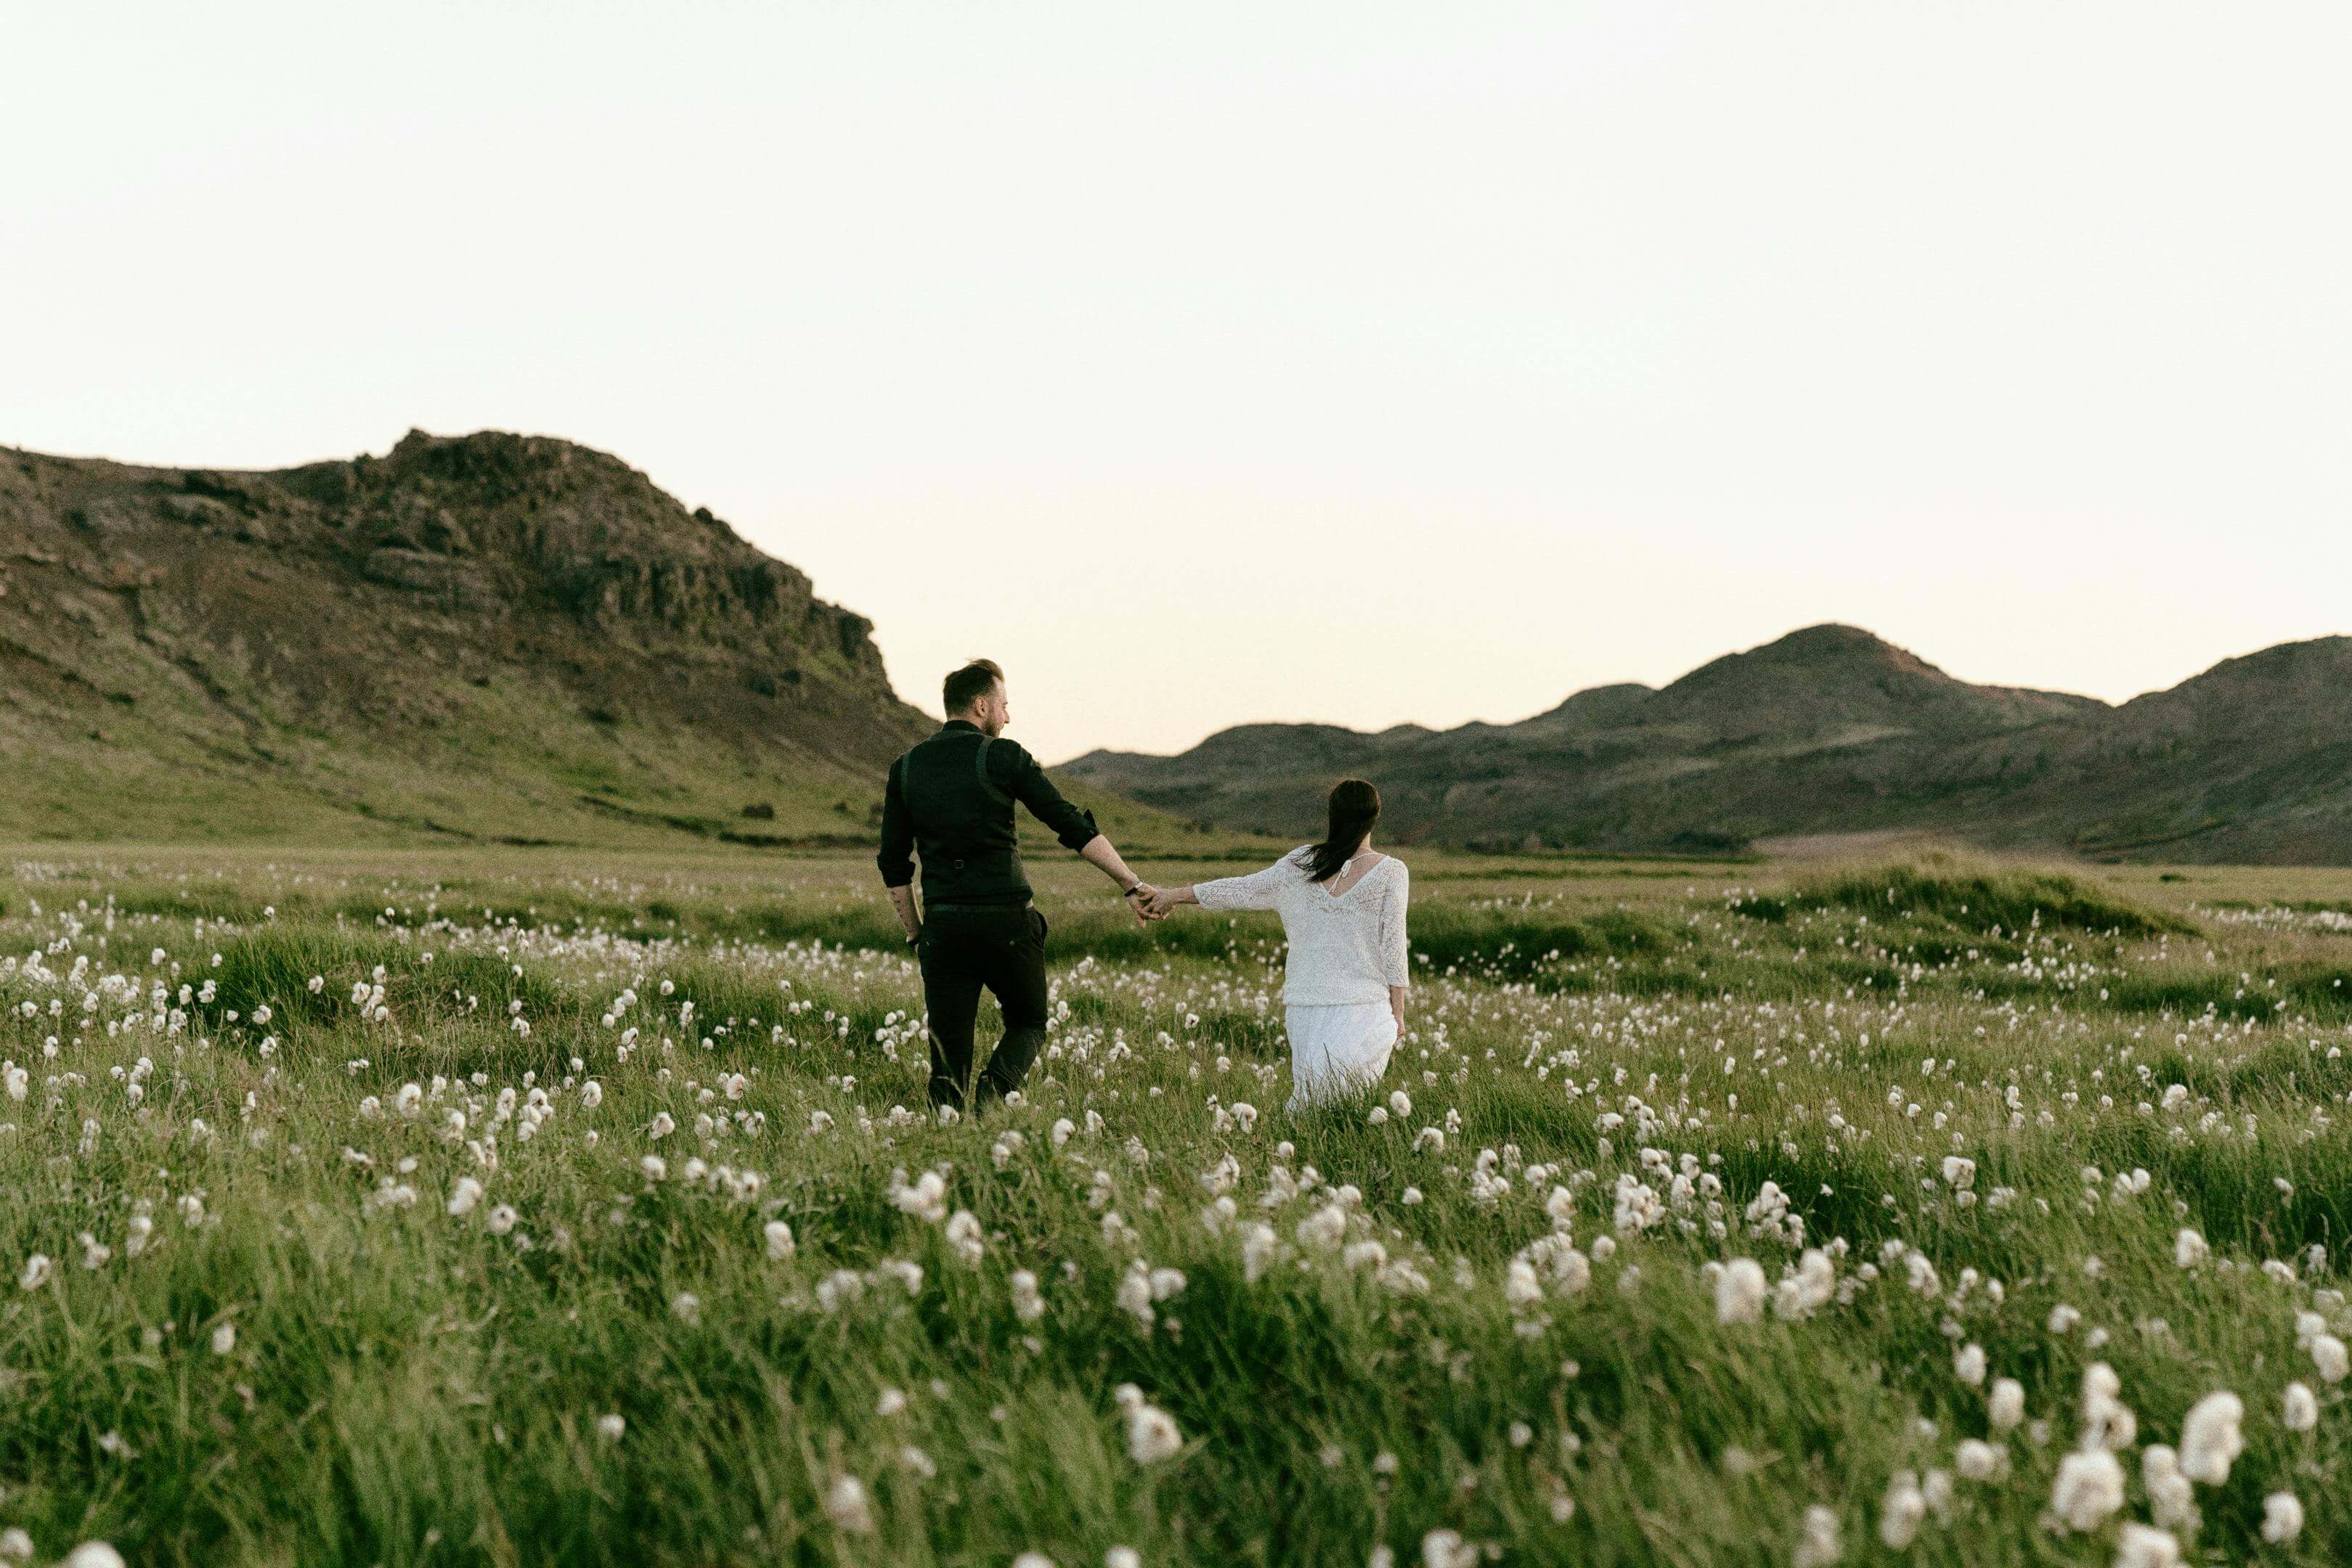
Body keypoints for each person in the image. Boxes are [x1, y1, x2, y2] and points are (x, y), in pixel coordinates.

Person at [877, 658, 1157, 1113]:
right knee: (1029, 1021)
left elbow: (893, 863)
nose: (1008, 716)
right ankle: (995, 1092)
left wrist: (916, 933)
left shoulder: (904, 769)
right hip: (1007, 921)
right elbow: (1069, 823)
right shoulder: (1004, 757)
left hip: (944, 926)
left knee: (947, 1060)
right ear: (982, 705)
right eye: (1004, 706)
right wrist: (1131, 884)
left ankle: (943, 1149)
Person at [1141, 779, 1409, 1110]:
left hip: (1306, 1008)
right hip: (1362, 1009)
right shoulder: (1391, 872)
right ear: (1375, 817)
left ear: (1332, 815)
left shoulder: (1302, 862)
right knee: (1335, 1108)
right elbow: (1394, 947)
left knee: (1317, 1105)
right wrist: (1398, 1013)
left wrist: (1175, 895)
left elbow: (1242, 889)